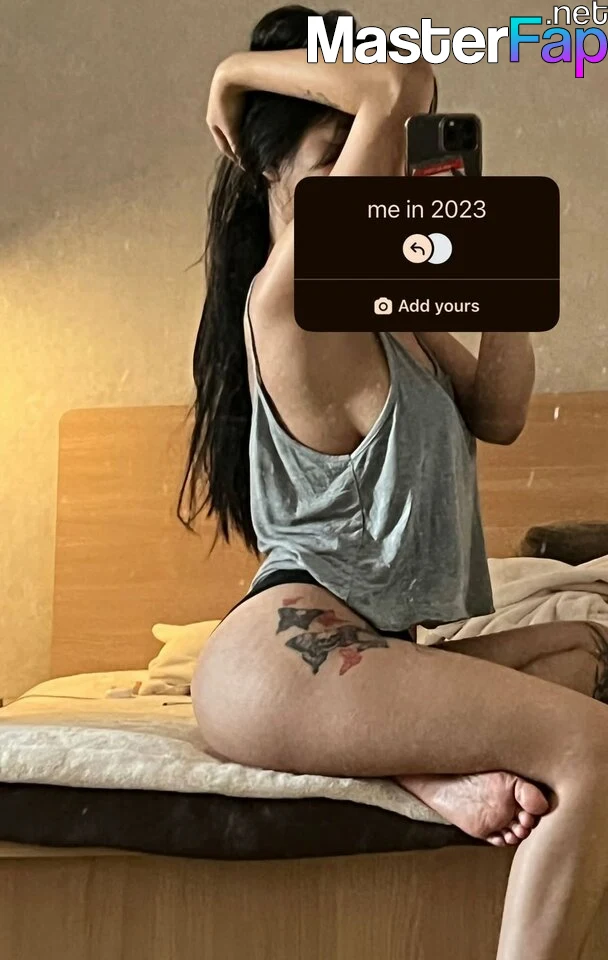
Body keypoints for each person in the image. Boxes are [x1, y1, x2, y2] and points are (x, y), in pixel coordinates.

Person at [177, 7, 608, 958]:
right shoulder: (289, 298)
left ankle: (427, 777)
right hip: (283, 660)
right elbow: (401, 85)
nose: (365, 180)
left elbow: (499, 411)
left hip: (364, 658)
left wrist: (493, 265)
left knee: (582, 647)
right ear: (270, 176)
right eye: (332, 159)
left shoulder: (388, 307)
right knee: (594, 745)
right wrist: (232, 72)